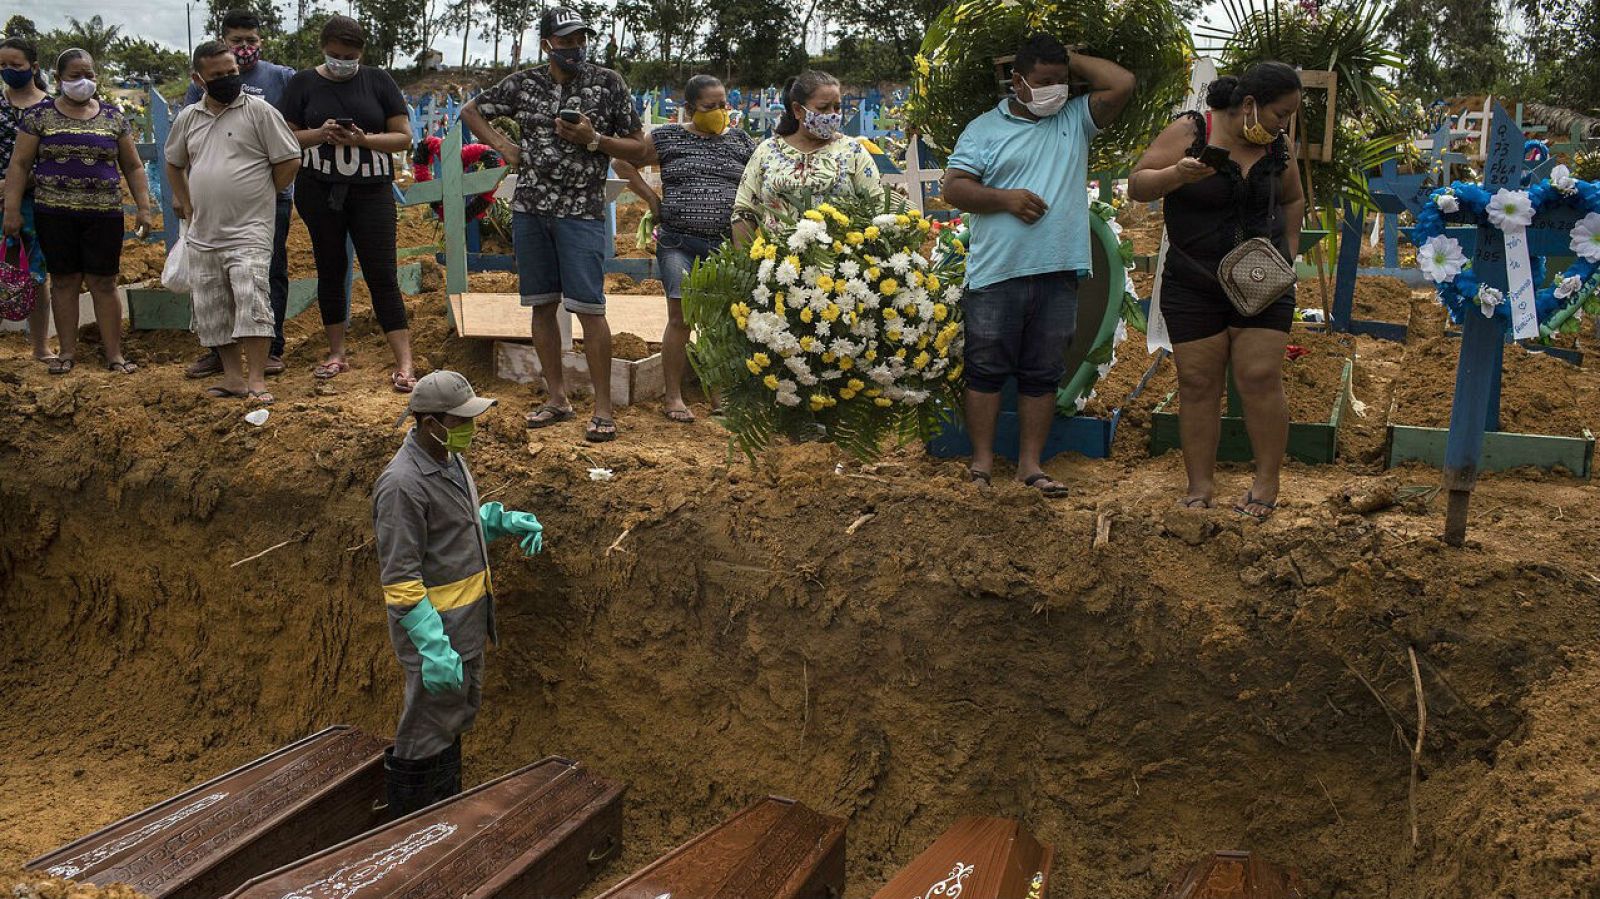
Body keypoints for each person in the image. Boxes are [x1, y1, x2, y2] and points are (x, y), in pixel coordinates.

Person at [941, 34, 1135, 497]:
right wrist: (1004, 199)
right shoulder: (984, 129)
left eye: (1061, 80)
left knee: (1043, 372)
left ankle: (1030, 466)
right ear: (1017, 81)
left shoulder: (1075, 119)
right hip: (997, 272)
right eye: (1044, 81)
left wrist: (1071, 57)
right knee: (985, 368)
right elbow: (953, 188)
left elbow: (1122, 83)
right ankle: (982, 463)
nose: (1055, 89)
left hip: (1057, 271)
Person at [460, 7, 647, 443]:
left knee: (589, 308)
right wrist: (504, 146)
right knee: (542, 305)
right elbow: (473, 110)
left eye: (581, 39)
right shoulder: (524, 83)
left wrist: (595, 140)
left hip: (580, 211)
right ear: (547, 44)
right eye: (566, 41)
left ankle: (603, 409)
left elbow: (638, 148)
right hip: (531, 208)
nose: (576, 48)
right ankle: (556, 398)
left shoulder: (608, 83)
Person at [1128, 62, 1304, 520]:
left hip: (1262, 283)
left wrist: (1288, 252)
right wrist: (1177, 176)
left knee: (1260, 377)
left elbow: (1292, 198)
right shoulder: (1192, 130)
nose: (1284, 124)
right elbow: (1138, 184)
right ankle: (1199, 487)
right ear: (1249, 105)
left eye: (1289, 116)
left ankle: (1266, 485)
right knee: (1198, 383)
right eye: (1279, 114)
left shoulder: (1278, 146)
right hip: (1193, 280)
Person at [372, 371, 544, 817]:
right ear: (430, 423)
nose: (471, 425)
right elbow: (401, 579)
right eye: (460, 419)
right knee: (424, 734)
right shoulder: (401, 485)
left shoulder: (449, 459)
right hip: (439, 639)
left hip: (463, 632)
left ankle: (441, 818)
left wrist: (501, 521)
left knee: (450, 725)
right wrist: (432, 648)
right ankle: (405, 831)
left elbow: (452, 531)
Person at [603, 74, 756, 423]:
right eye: (709, 106)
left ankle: (719, 393)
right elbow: (622, 162)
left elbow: (756, 181)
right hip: (678, 241)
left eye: (723, 105)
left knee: (720, 320)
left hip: (723, 244)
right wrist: (651, 199)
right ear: (689, 109)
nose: (719, 112)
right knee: (681, 316)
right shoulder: (668, 138)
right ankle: (673, 396)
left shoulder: (741, 142)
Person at [277, 15, 416, 391]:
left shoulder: (378, 81)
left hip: (372, 190)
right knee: (331, 268)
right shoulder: (303, 83)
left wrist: (363, 140)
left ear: (362, 53)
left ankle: (404, 361)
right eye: (335, 55)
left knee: (381, 272)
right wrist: (320, 133)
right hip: (319, 190)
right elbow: (287, 138)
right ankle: (336, 352)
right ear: (323, 48)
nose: (342, 62)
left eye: (350, 55)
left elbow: (403, 138)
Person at [2, 49, 153, 376]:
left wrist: (144, 207)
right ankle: (67, 352)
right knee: (64, 281)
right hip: (54, 214)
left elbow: (133, 166)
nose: (83, 82)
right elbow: (19, 165)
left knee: (104, 282)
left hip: (104, 215)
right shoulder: (39, 117)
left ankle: (114, 355)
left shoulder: (114, 117)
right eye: (74, 76)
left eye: (89, 75)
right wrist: (12, 210)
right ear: (58, 79)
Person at [165, 41, 300, 405]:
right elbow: (174, 162)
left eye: (232, 73)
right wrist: (185, 200)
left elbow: (289, 159)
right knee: (212, 306)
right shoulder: (188, 119)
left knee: (252, 298)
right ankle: (233, 378)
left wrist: (263, 191)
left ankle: (256, 380)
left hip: (251, 229)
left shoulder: (260, 112)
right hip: (204, 231)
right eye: (218, 75)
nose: (227, 79)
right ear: (198, 78)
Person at [730, 70, 889, 245]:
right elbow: (744, 210)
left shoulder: (853, 151)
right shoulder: (767, 151)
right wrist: (744, 261)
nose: (832, 114)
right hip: (776, 262)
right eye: (823, 108)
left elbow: (876, 206)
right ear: (798, 110)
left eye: (837, 107)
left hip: (841, 262)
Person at [0, 37, 52, 363]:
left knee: (37, 275)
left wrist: (20, 182)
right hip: (0, 199)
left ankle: (41, 347)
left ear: (33, 67)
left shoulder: (52, 107)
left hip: (41, 201)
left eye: (15, 66)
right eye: (2, 66)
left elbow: (56, 156)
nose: (8, 71)